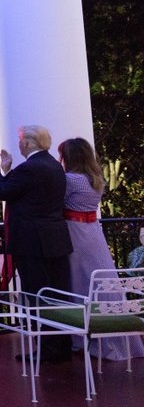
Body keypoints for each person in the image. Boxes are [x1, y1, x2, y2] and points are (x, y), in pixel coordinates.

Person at [0, 124, 73, 363]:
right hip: (55, 240)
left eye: (21, 139)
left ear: (28, 143)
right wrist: (8, 170)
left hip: (32, 242)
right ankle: (62, 345)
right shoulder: (53, 165)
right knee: (58, 295)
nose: (19, 143)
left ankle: (48, 349)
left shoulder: (30, 168)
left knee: (38, 295)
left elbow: (4, 192)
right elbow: (20, 191)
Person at [58, 137, 144, 361]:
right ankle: (111, 332)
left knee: (78, 283)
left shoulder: (70, 180)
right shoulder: (95, 179)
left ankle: (83, 337)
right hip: (93, 232)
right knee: (100, 280)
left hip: (74, 232)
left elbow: (56, 202)